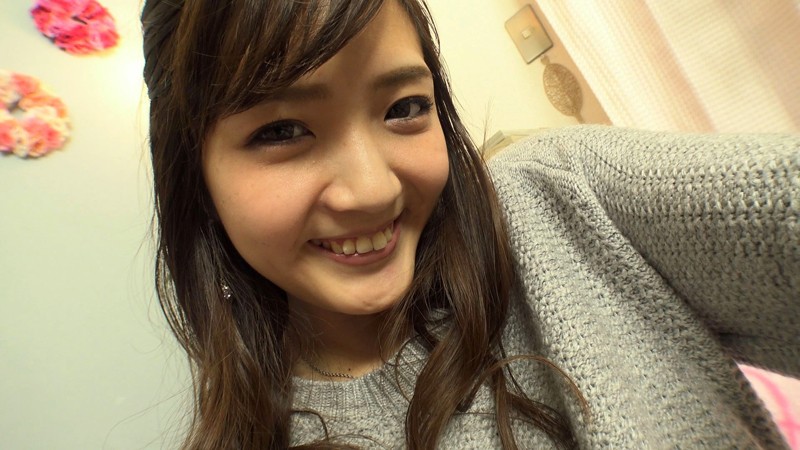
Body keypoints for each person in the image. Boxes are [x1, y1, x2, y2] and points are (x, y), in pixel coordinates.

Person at [140, 0, 799, 448]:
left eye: (404, 108)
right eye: (283, 131)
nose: (373, 189)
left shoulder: (565, 200)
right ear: (196, 177)